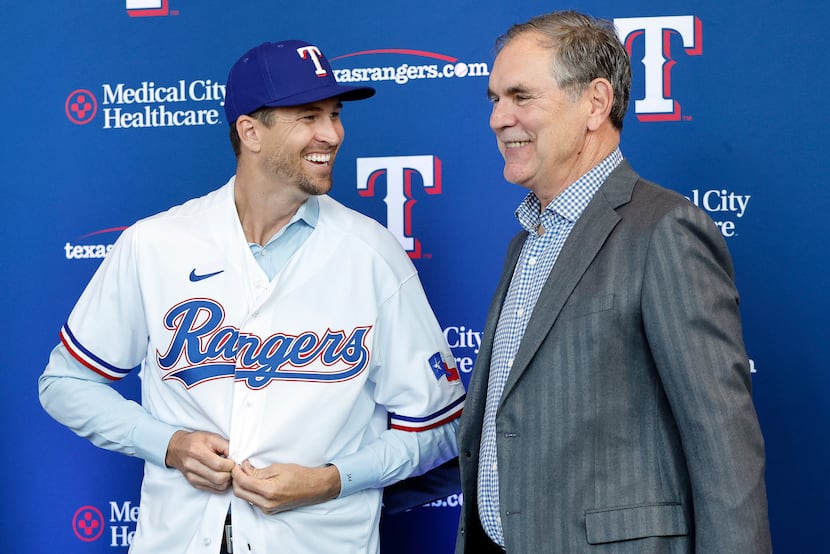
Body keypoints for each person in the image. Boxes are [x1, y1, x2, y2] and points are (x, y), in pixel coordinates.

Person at [39, 39, 465, 554]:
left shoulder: (371, 253)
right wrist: (167, 444)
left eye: (335, 114)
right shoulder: (155, 244)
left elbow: (441, 428)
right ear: (250, 131)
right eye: (309, 116)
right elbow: (65, 383)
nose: (331, 134)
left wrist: (332, 478)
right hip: (178, 538)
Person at [455, 11, 771, 553]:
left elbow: (725, 447)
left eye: (520, 97)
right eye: (493, 99)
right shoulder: (524, 243)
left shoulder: (664, 229)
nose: (498, 118)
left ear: (595, 104)